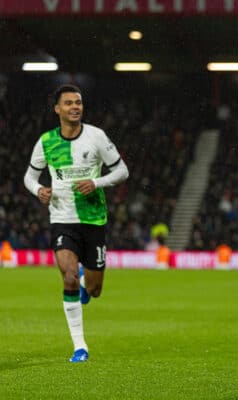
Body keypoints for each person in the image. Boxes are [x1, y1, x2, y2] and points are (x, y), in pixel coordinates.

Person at [24, 84, 129, 362]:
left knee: (94, 290)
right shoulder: (46, 142)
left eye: (79, 102)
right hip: (62, 219)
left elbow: (122, 171)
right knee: (67, 275)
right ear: (57, 109)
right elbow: (30, 177)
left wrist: (97, 182)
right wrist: (39, 191)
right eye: (69, 103)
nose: (75, 107)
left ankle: (86, 283)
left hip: (93, 218)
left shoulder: (96, 137)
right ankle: (80, 346)